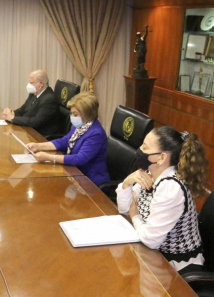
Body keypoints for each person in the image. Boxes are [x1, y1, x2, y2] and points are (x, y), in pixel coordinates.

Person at [116, 127, 207, 274]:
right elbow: (124, 209)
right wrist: (127, 183)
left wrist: (135, 215)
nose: (140, 150)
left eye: (145, 147)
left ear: (162, 158)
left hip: (176, 266)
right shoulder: (151, 172)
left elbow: (150, 240)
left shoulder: (171, 187)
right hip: (153, 255)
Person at [26, 92, 110, 187]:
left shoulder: (96, 133)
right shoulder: (80, 125)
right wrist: (38, 146)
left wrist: (48, 157)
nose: (72, 117)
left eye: (75, 114)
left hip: (89, 181)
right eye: (71, 113)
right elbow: (65, 141)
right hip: (73, 172)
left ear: (87, 114)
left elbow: (80, 159)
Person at [2, 70, 59, 138]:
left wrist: (13, 118)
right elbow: (22, 110)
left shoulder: (49, 100)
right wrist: (11, 113)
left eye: (31, 83)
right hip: (29, 131)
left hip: (40, 136)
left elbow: (36, 122)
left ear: (41, 84)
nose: (29, 85)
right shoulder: (34, 94)